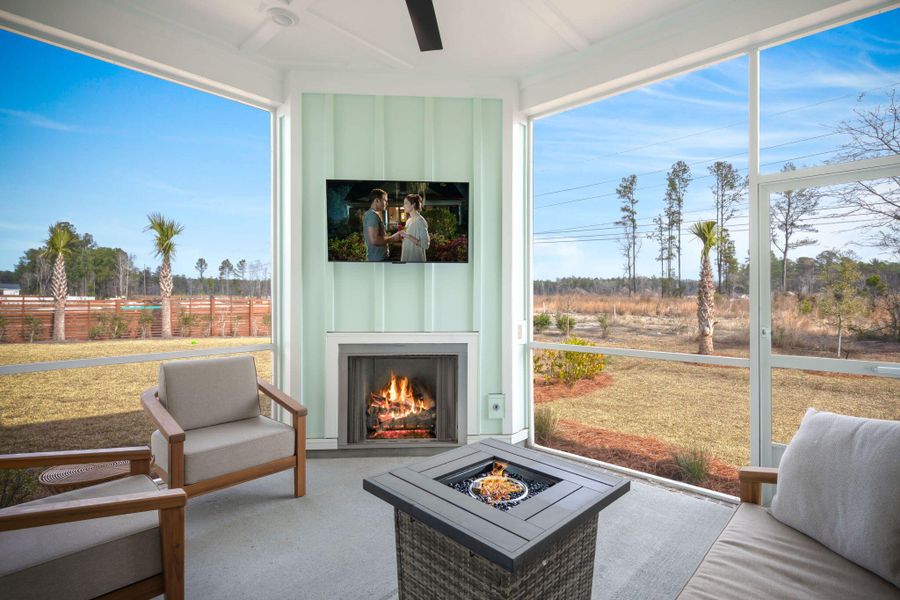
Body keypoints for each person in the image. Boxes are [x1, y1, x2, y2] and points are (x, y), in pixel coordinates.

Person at [363, 188, 400, 261]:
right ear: (377, 200)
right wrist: (393, 238)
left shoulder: (372, 214)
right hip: (378, 259)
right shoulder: (372, 215)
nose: (387, 203)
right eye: (385, 200)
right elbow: (374, 240)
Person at [399, 193, 430, 262]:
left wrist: (408, 236)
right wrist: (402, 236)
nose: (403, 206)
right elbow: (406, 238)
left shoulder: (420, 221)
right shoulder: (409, 220)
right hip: (406, 260)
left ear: (413, 205)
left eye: (406, 203)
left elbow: (426, 244)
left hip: (416, 261)